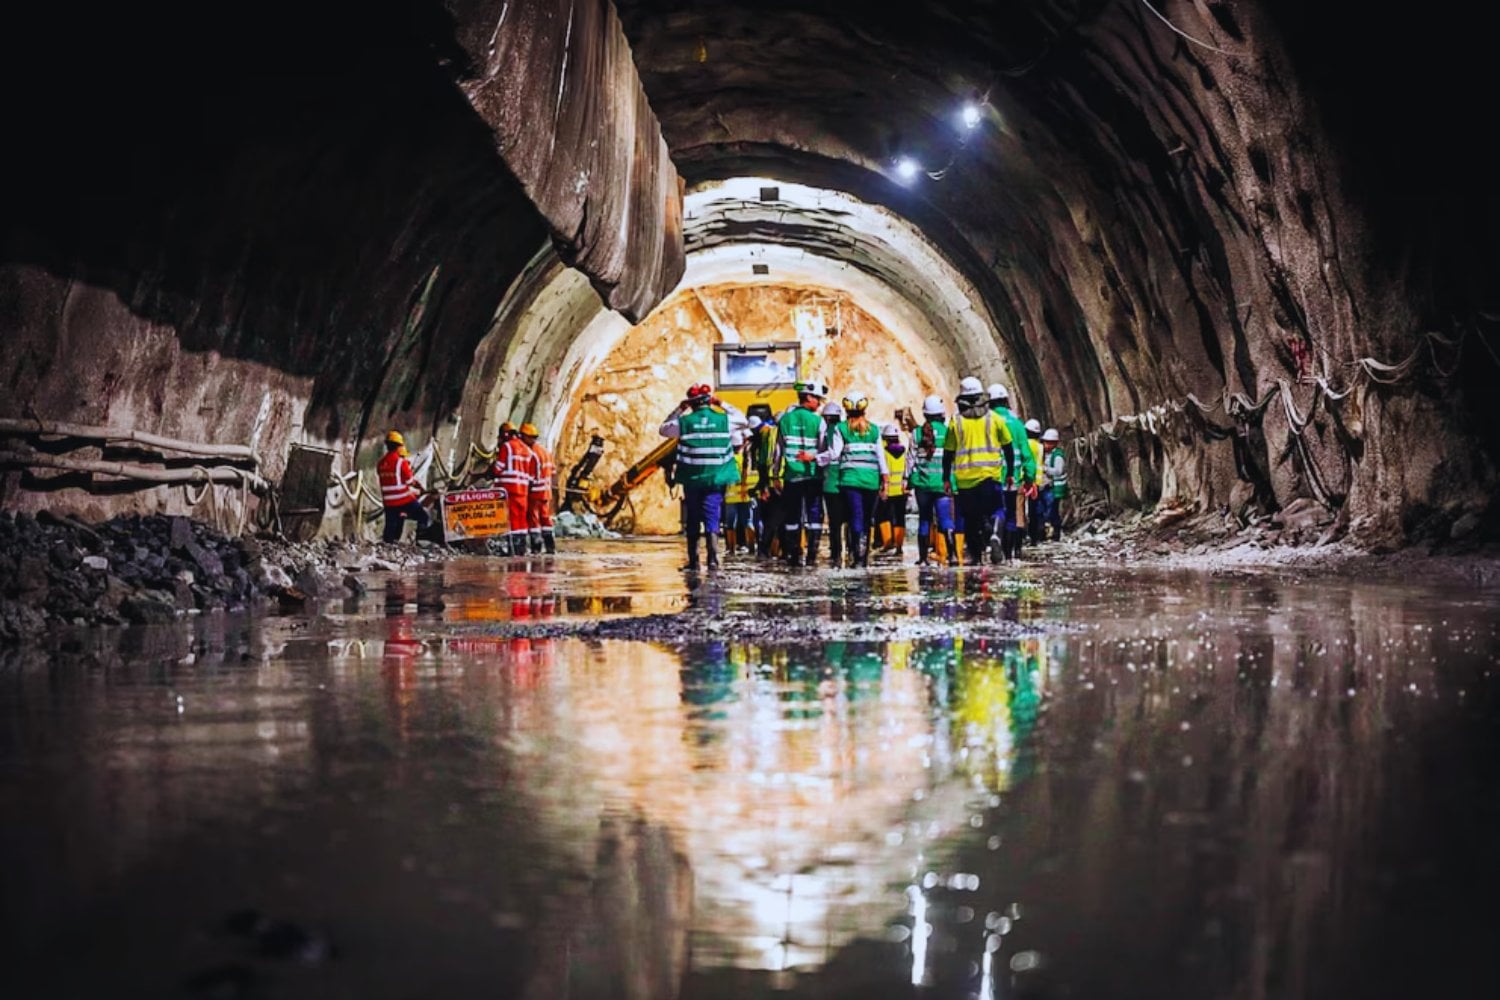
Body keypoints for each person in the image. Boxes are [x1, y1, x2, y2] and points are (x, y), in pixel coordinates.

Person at [659, 382, 747, 571]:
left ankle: (694, 561)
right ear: (709, 401)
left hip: (692, 479)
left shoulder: (684, 423)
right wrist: (721, 403)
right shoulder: (724, 421)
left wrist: (679, 410)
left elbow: (663, 429)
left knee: (692, 517)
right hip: (716, 478)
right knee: (712, 515)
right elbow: (743, 419)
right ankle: (713, 559)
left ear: (690, 404)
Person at [943, 377, 1014, 566]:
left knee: (971, 519)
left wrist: (946, 478)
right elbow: (1008, 448)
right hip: (991, 476)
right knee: (998, 510)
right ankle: (995, 535)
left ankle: (976, 557)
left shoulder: (955, 423)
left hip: (966, 481)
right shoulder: (995, 419)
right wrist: (1010, 473)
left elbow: (948, 454)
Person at [822, 391, 887, 567]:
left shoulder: (841, 429)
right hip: (871, 481)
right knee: (867, 520)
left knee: (855, 517)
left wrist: (815, 458)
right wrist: (885, 482)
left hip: (850, 481)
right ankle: (863, 557)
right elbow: (881, 457)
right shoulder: (874, 430)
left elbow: (834, 454)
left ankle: (856, 557)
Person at [772, 380, 830, 567]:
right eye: (818, 400)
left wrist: (775, 475)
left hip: (792, 476)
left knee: (793, 517)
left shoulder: (785, 420)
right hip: (813, 475)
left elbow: (778, 451)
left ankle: (794, 554)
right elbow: (823, 449)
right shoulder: (818, 421)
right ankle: (812, 554)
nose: (819, 404)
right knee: (814, 515)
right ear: (809, 397)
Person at [988, 384, 1035, 563]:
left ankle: (994, 539)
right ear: (1006, 401)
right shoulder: (1016, 424)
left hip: (991, 477)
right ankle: (1008, 555)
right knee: (1012, 517)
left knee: (994, 512)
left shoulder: (987, 421)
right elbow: (1026, 455)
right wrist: (1029, 479)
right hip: (1012, 479)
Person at [909, 395, 958, 565]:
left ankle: (923, 558)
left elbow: (911, 459)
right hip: (942, 485)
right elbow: (954, 458)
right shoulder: (948, 432)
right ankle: (952, 555)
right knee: (946, 520)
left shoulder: (916, 433)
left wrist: (907, 479)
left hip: (922, 485)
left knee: (924, 519)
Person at [377, 430, 432, 543]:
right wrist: (421, 489)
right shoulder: (400, 462)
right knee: (423, 517)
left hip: (388, 501)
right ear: (399, 446)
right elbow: (410, 481)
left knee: (391, 526)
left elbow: (390, 480)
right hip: (402, 499)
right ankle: (421, 542)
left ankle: (389, 547)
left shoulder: (381, 463)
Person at [492, 421, 535, 556]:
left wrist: (490, 469)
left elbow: (498, 469)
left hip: (509, 489)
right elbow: (532, 474)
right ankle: (521, 549)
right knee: (521, 520)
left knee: (512, 520)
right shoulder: (528, 450)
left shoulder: (507, 447)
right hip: (523, 491)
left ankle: (513, 551)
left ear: (505, 434)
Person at [518, 422, 557, 553]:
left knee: (534, 519)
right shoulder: (545, 451)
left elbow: (532, 475)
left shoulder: (531, 453)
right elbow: (552, 471)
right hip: (546, 491)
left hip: (535, 492)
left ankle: (536, 547)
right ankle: (550, 546)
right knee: (545, 518)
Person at [818, 400, 848, 566]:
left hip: (829, 482)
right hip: (846, 480)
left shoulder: (824, 433)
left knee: (834, 523)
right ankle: (851, 549)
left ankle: (835, 553)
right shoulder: (845, 429)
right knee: (849, 519)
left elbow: (821, 454)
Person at [723, 422, 760, 556]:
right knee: (748, 522)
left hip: (731, 496)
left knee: (730, 524)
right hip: (746, 496)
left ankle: (730, 550)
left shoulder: (728, 460)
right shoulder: (748, 460)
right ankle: (751, 549)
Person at [876, 422, 908, 557]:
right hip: (901, 490)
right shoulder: (904, 451)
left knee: (884, 516)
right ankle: (899, 546)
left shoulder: (884, 452)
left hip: (888, 490)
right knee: (900, 518)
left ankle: (888, 543)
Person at [1040, 427, 1067, 541]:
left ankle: (1055, 532)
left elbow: (1058, 470)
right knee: (1046, 510)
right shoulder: (1045, 454)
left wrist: (1045, 469)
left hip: (1055, 488)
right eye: (1045, 442)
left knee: (1052, 511)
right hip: (1047, 487)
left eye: (1049, 443)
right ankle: (1046, 532)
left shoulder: (1058, 455)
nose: (1046, 445)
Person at [1022, 418, 1046, 545]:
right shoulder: (1040, 447)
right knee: (1034, 511)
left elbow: (1026, 463)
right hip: (1038, 482)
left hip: (1026, 481)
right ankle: (1035, 537)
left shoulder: (1025, 444)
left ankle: (1022, 535)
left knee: (1022, 510)